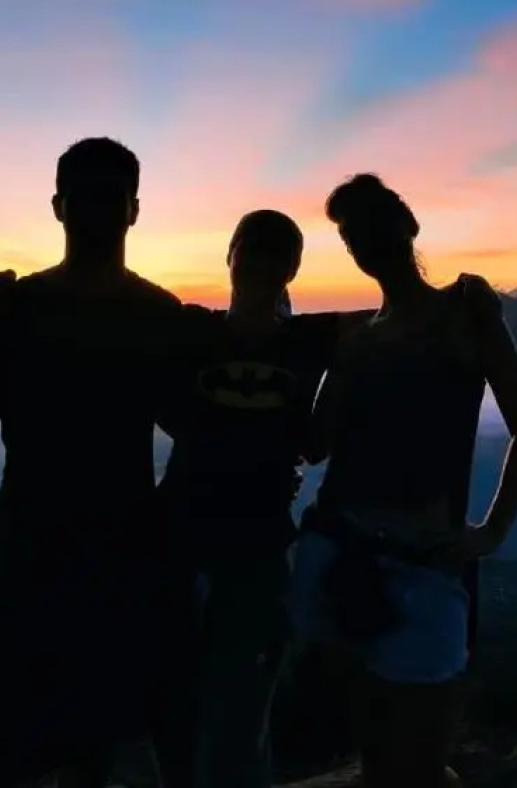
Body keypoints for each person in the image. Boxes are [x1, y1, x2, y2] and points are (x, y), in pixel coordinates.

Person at [0, 137, 189, 788]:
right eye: (84, 198)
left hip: (116, 574)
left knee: (85, 762)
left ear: (134, 210)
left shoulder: (158, 317)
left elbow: (203, 424)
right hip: (27, 570)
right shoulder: (10, 312)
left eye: (108, 199)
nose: (95, 213)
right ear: (58, 206)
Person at [286, 173, 517, 788]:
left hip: (423, 561)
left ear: (408, 223)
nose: (364, 241)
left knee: (423, 760)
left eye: (373, 223)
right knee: (379, 758)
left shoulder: (467, 311)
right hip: (343, 555)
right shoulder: (357, 343)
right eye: (352, 234)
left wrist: (490, 532)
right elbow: (316, 445)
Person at [156, 209, 364, 788]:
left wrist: (469, 297)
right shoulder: (191, 330)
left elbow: (317, 442)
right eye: (255, 249)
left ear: (294, 268)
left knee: (237, 724)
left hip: (255, 555)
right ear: (230, 255)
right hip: (177, 547)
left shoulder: (312, 340)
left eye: (279, 254)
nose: (264, 264)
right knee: (176, 717)